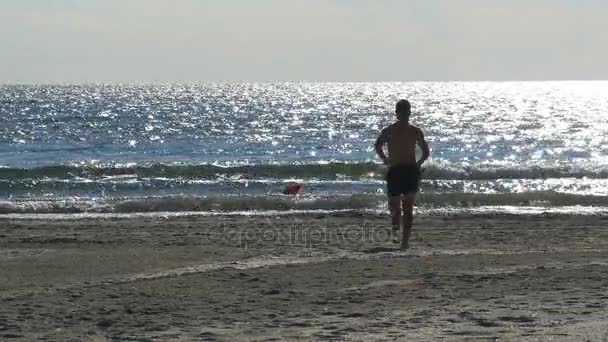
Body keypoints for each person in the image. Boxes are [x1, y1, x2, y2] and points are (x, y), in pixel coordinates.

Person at [374, 100, 430, 250]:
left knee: (408, 208)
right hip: (395, 170)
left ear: (410, 112)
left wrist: (418, 164)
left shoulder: (415, 131)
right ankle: (395, 232)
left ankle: (404, 242)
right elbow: (377, 145)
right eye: (402, 111)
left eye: (406, 111)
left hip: (410, 171)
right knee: (394, 207)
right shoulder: (389, 130)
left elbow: (426, 151)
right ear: (397, 113)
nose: (404, 114)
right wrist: (385, 159)